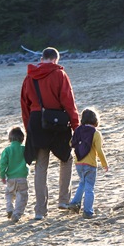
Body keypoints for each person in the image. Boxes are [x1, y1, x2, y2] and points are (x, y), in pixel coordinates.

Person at [21, 47, 80, 220]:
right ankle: (63, 200)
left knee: (41, 166)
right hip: (57, 122)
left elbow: (25, 106)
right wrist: (76, 126)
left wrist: (28, 130)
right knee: (66, 159)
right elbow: (69, 102)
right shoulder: (60, 75)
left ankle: (40, 211)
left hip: (36, 122)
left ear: (42, 58)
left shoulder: (29, 77)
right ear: (56, 59)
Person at [63, 108, 109, 218]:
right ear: (95, 120)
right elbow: (99, 150)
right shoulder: (96, 133)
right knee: (89, 188)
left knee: (82, 183)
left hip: (78, 163)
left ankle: (75, 203)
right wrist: (104, 163)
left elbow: (71, 143)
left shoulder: (78, 130)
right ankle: (88, 211)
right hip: (90, 164)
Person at [0, 126, 29, 223]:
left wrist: (2, 176)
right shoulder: (24, 149)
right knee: (22, 196)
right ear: (22, 138)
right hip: (22, 178)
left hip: (10, 178)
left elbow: (2, 164)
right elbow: (32, 158)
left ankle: (9, 208)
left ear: (10, 138)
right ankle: (17, 214)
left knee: (9, 193)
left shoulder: (7, 150)